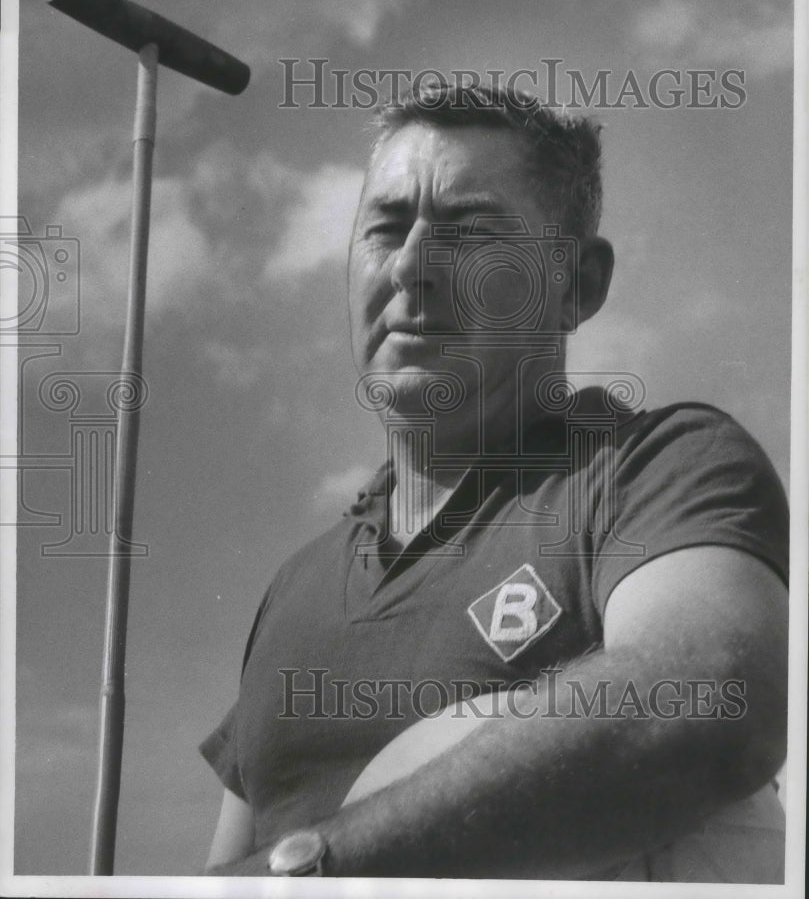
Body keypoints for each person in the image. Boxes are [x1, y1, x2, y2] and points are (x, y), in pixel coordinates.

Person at [200, 82, 789, 880]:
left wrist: (324, 869)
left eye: (470, 232)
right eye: (384, 227)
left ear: (577, 285)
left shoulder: (655, 468)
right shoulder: (295, 585)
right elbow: (223, 874)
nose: (410, 266)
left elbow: (707, 701)